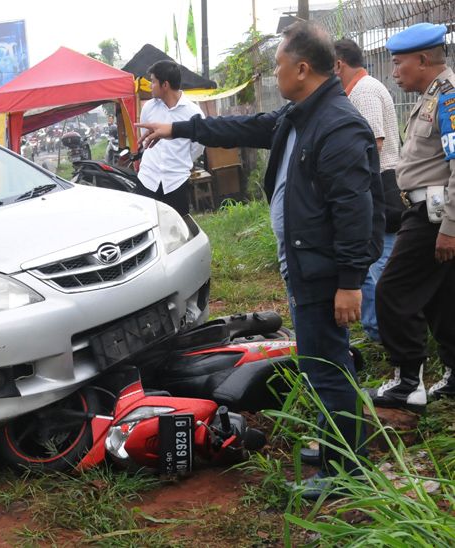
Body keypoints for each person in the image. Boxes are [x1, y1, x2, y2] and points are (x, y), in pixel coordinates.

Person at [138, 21, 384, 499]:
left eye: (278, 65)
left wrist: (351, 281)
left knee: (326, 364)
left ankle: (347, 472)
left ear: (302, 68)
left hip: (323, 270)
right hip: (304, 262)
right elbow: (242, 126)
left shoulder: (336, 124)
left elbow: (355, 209)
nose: (276, 73)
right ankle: (339, 442)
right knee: (321, 361)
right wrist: (177, 128)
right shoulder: (300, 114)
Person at [369, 23, 455, 410]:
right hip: (429, 211)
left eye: (398, 61)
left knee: (392, 291)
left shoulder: (449, 99)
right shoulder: (430, 98)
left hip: (436, 216)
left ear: (423, 60)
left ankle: (407, 381)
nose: (393, 70)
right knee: (443, 297)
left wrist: (450, 228)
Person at [334, 39, 404, 343]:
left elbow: (373, 145)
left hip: (381, 184)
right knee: (369, 264)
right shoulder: (360, 89)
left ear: (338, 64)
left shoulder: (365, 91)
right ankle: (378, 330)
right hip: (374, 184)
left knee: (381, 268)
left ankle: (394, 335)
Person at [136, 60, 205, 216]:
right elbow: (146, 140)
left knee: (176, 233)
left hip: (176, 183)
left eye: (153, 81)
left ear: (165, 85)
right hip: (148, 180)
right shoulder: (148, 108)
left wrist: (180, 162)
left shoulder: (193, 113)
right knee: (145, 226)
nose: (150, 86)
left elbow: (198, 147)